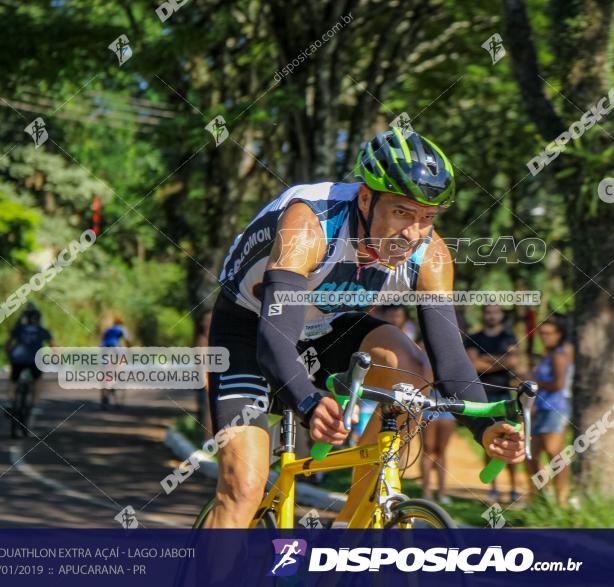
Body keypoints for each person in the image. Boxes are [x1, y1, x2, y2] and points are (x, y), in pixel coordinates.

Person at [202, 128, 525, 528]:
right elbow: (275, 342)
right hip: (252, 330)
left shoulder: (431, 255)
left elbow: (451, 362)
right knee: (243, 489)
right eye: (402, 212)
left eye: (428, 217)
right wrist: (308, 403)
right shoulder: (309, 225)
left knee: (412, 372)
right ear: (366, 197)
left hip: (330, 327)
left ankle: (351, 533)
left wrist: (486, 425)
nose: (413, 233)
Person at [465, 304, 520, 502]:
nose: (491, 315)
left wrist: (484, 361)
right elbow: (472, 364)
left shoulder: (509, 337)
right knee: (489, 441)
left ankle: (513, 488)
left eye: (495, 312)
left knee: (511, 440)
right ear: (483, 315)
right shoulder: (474, 338)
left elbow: (514, 362)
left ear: (501, 315)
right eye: (488, 312)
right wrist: (501, 361)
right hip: (483, 397)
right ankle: (494, 489)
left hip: (505, 396)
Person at [525, 315, 574, 506]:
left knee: (555, 453)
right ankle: (538, 496)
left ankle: (561, 498)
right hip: (541, 409)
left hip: (555, 409)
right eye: (541, 333)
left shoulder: (559, 356)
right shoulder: (547, 355)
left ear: (558, 334)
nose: (544, 337)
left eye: (548, 333)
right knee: (531, 454)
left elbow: (558, 384)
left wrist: (535, 383)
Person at [5, 303, 54, 410]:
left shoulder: (18, 329)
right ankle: (35, 405)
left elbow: (8, 344)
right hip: (35, 360)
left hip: (17, 359)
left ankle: (10, 401)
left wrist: (9, 355)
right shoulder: (42, 330)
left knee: (13, 380)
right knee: (38, 380)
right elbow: (53, 346)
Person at [99, 318, 130, 409]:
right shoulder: (121, 328)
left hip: (104, 349)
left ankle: (104, 395)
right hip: (114, 348)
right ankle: (117, 375)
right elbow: (127, 340)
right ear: (121, 323)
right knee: (120, 362)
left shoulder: (108, 329)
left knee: (105, 370)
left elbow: (102, 340)